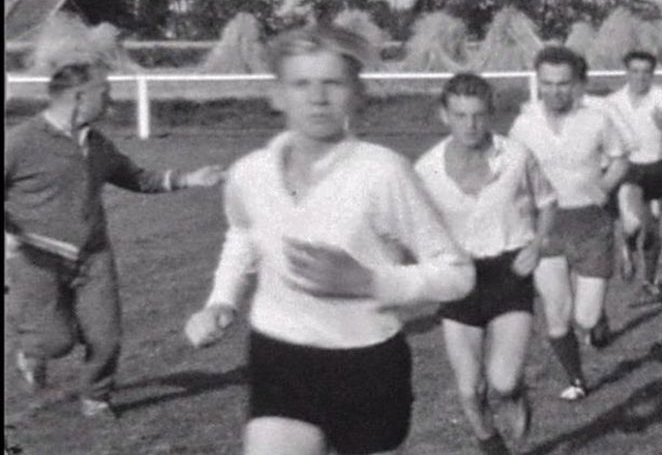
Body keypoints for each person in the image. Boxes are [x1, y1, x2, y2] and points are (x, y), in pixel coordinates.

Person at [184, 24, 474, 455]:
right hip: (279, 356)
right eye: (301, 83)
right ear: (277, 94)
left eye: (332, 83)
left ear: (357, 93)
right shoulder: (250, 173)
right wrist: (221, 300)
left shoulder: (382, 172)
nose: (317, 98)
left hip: (367, 363)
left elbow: (458, 275)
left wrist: (369, 283)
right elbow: (244, 234)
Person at [4, 61, 223, 418]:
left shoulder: (98, 144)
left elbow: (137, 177)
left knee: (106, 336)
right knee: (55, 342)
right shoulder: (21, 142)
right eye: (104, 93)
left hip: (93, 256)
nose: (111, 101)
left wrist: (190, 179)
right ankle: (32, 351)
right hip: (35, 258)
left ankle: (96, 397)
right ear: (78, 96)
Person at [414, 73, 556, 455]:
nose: (470, 125)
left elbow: (546, 203)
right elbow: (413, 228)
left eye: (478, 115)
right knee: (469, 389)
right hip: (459, 278)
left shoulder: (517, 156)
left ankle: (515, 396)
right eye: (459, 115)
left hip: (510, 273)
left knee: (504, 381)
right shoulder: (425, 170)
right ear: (444, 115)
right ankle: (490, 444)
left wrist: (539, 243)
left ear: (490, 114)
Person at [509, 46, 628, 401]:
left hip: (591, 224)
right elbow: (513, 176)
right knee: (556, 314)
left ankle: (597, 322)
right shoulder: (523, 125)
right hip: (547, 226)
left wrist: (604, 188)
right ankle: (577, 379)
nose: (555, 91)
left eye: (563, 83)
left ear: (576, 83)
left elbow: (620, 160)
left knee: (586, 318)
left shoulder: (596, 120)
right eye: (547, 83)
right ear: (538, 83)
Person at [605, 50, 662, 298]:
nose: (640, 77)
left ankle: (650, 279)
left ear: (652, 74)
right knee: (633, 222)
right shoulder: (613, 101)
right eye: (635, 71)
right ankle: (627, 243)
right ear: (627, 72)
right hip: (628, 170)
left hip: (656, 168)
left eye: (646, 72)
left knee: (652, 231)